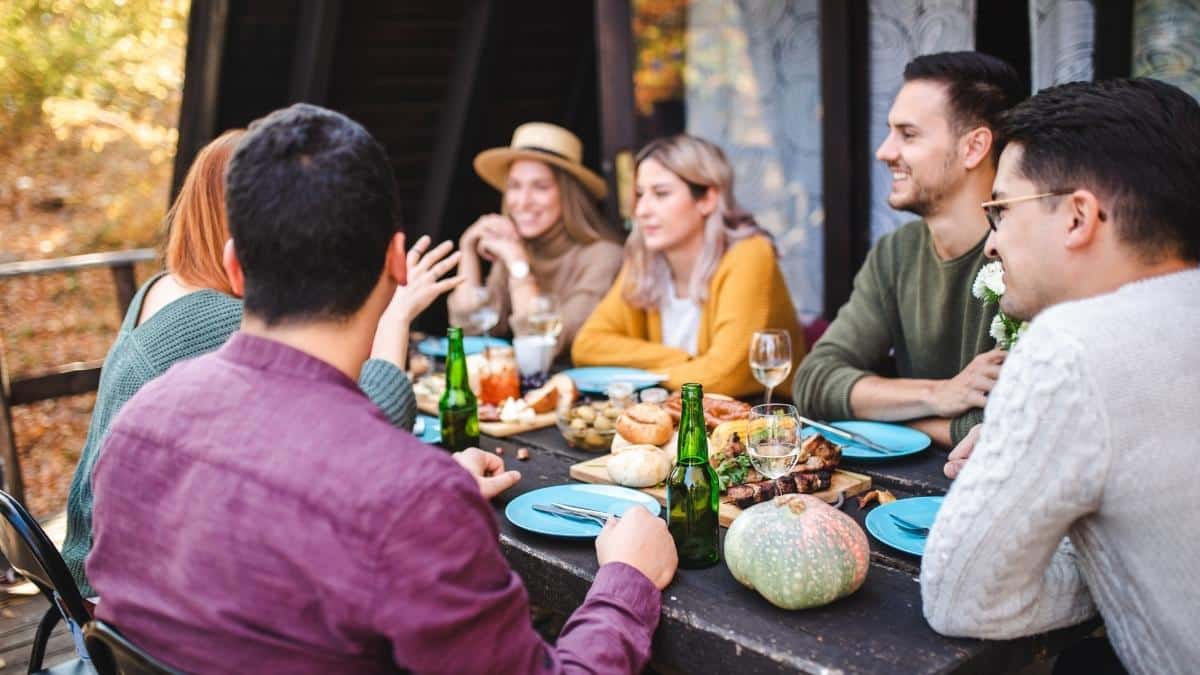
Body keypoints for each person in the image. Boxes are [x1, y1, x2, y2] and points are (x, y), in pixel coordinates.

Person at [87, 103, 677, 674]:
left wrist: (431, 496)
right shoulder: (411, 499)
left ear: (236, 267)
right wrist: (626, 581)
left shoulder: (137, 423)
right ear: (398, 262)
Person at [62, 129, 461, 597]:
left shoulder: (162, 287)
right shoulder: (219, 319)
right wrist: (394, 316)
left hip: (103, 554)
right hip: (124, 587)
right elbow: (365, 433)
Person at [921, 78, 1200, 674]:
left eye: (1000, 211)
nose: (990, 245)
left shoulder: (1072, 347)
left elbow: (961, 599)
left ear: (1077, 217)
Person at [792, 52, 1024, 447]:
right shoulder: (897, 252)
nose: (884, 152)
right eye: (890, 132)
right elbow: (814, 381)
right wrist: (938, 394)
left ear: (974, 147)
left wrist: (888, 417)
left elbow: (997, 425)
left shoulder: (1025, 255)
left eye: (909, 134)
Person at [571, 134, 804, 397]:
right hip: (679, 414)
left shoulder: (750, 254)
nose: (642, 210)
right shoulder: (644, 259)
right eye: (639, 194)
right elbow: (587, 346)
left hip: (762, 416)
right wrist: (684, 361)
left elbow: (723, 376)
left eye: (661, 193)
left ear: (707, 199)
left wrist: (647, 375)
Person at [447, 122, 623, 357]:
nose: (523, 201)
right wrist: (467, 249)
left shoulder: (604, 256)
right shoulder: (515, 248)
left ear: (568, 195)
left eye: (540, 187)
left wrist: (520, 267)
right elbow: (470, 330)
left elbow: (545, 345)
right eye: (514, 186)